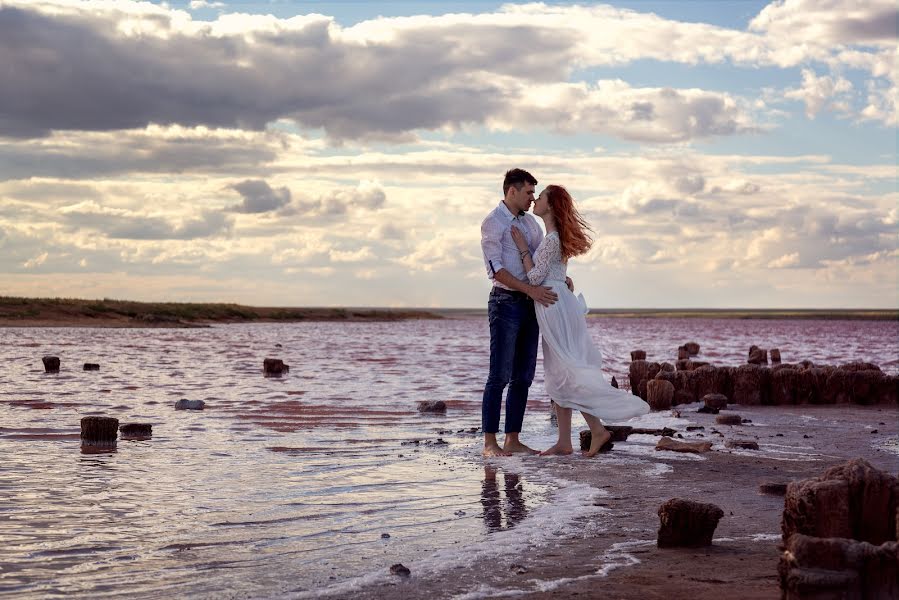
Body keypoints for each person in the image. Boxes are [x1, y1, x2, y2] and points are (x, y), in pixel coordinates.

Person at [511, 185, 650, 457]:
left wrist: (522, 250)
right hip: (558, 304)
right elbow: (554, 274)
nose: (535, 200)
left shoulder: (551, 239)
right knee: (560, 374)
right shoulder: (553, 237)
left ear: (550, 206)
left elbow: (536, 278)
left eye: (540, 197)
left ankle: (596, 431)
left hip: (554, 307)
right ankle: (565, 442)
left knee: (567, 372)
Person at [480, 169, 567, 457]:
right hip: (505, 303)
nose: (532, 198)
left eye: (534, 193)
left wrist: (559, 279)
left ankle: (512, 439)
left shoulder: (532, 224)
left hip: (532, 305)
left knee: (524, 376)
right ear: (512, 191)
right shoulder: (493, 223)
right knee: (499, 375)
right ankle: (489, 443)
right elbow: (495, 270)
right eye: (529, 192)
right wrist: (529, 291)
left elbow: (540, 263)